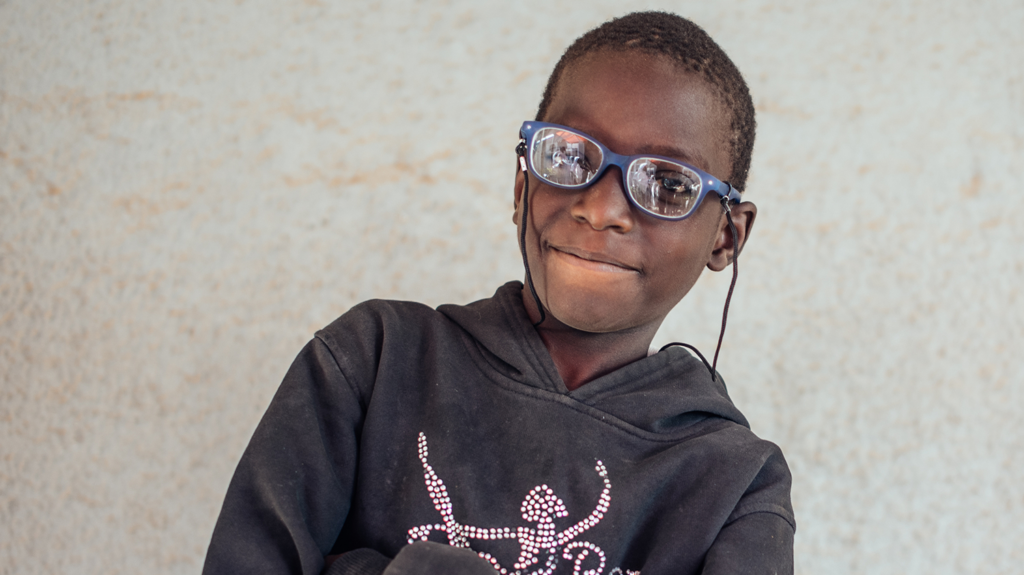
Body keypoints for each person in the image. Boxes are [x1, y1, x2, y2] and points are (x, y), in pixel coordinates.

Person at [203, 11, 794, 575]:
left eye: (667, 183)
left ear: (726, 236)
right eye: (568, 156)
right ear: (522, 183)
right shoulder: (374, 360)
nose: (602, 207)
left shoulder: (737, 482)